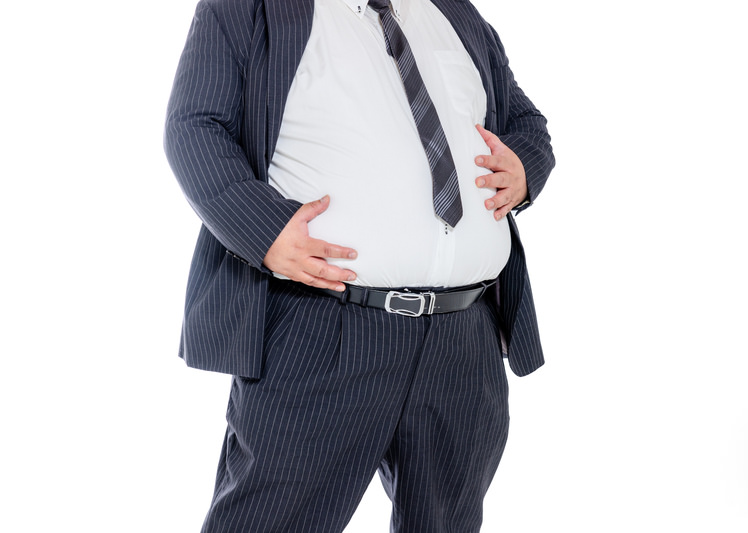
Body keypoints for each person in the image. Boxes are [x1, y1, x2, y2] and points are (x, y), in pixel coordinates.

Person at [164, 0, 555, 530]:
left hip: (464, 340)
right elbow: (195, 125)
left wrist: (524, 166)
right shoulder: (251, 8)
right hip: (323, 328)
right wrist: (264, 230)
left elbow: (525, 123)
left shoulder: (452, 12)